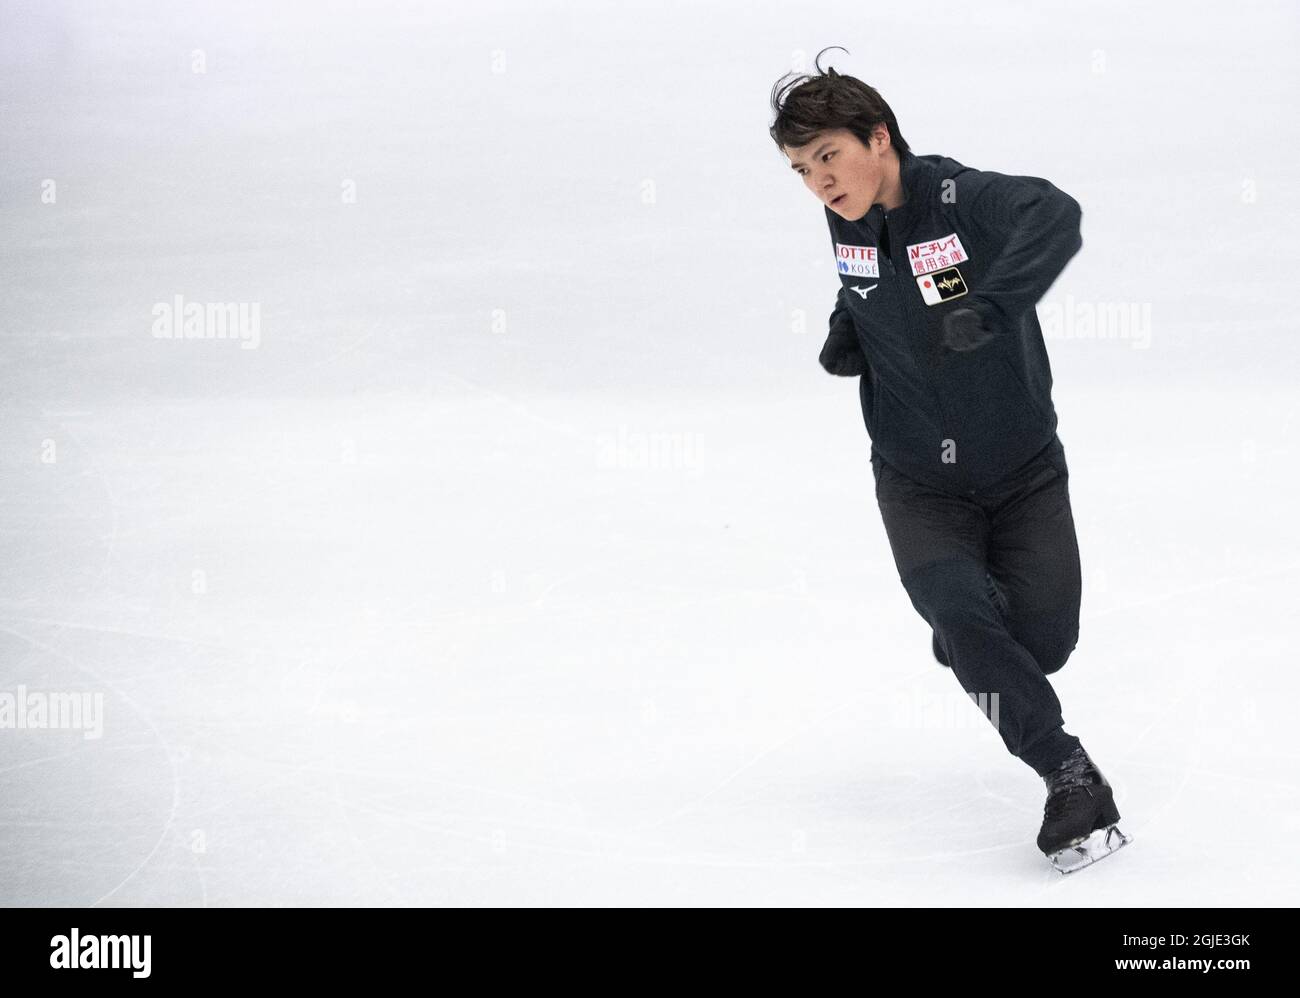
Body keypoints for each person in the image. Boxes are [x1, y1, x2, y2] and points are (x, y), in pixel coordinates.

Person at [769, 48, 1129, 871]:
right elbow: (867, 277)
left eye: (828, 155)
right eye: (800, 169)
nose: (818, 181)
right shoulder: (847, 213)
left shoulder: (960, 197)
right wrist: (847, 326)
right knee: (965, 615)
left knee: (1037, 643)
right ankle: (1067, 774)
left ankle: (976, 645)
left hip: (1023, 469)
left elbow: (1057, 212)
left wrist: (997, 303)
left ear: (880, 139)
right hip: (915, 481)